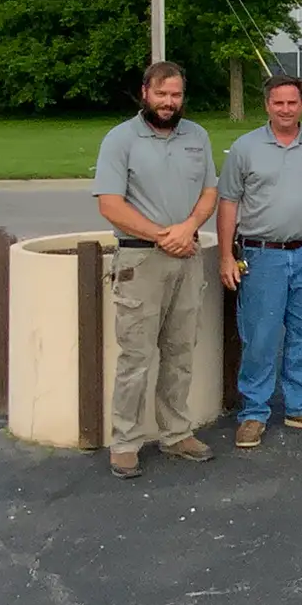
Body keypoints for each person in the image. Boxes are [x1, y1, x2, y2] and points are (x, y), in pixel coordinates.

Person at [92, 61, 219, 480]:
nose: (169, 102)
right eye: (162, 94)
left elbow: (209, 193)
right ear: (145, 92)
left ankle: (176, 432)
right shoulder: (120, 139)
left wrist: (187, 229)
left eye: (176, 95)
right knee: (136, 356)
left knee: (181, 350)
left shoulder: (197, 137)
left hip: (186, 256)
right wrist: (162, 235)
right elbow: (110, 204)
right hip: (140, 260)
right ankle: (125, 442)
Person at [217, 75, 302, 450]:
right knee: (260, 336)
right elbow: (228, 203)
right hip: (262, 255)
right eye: (279, 103)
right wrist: (226, 255)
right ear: (267, 105)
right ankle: (254, 413)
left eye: (292, 103)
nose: (286, 110)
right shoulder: (245, 148)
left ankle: (301, 405)